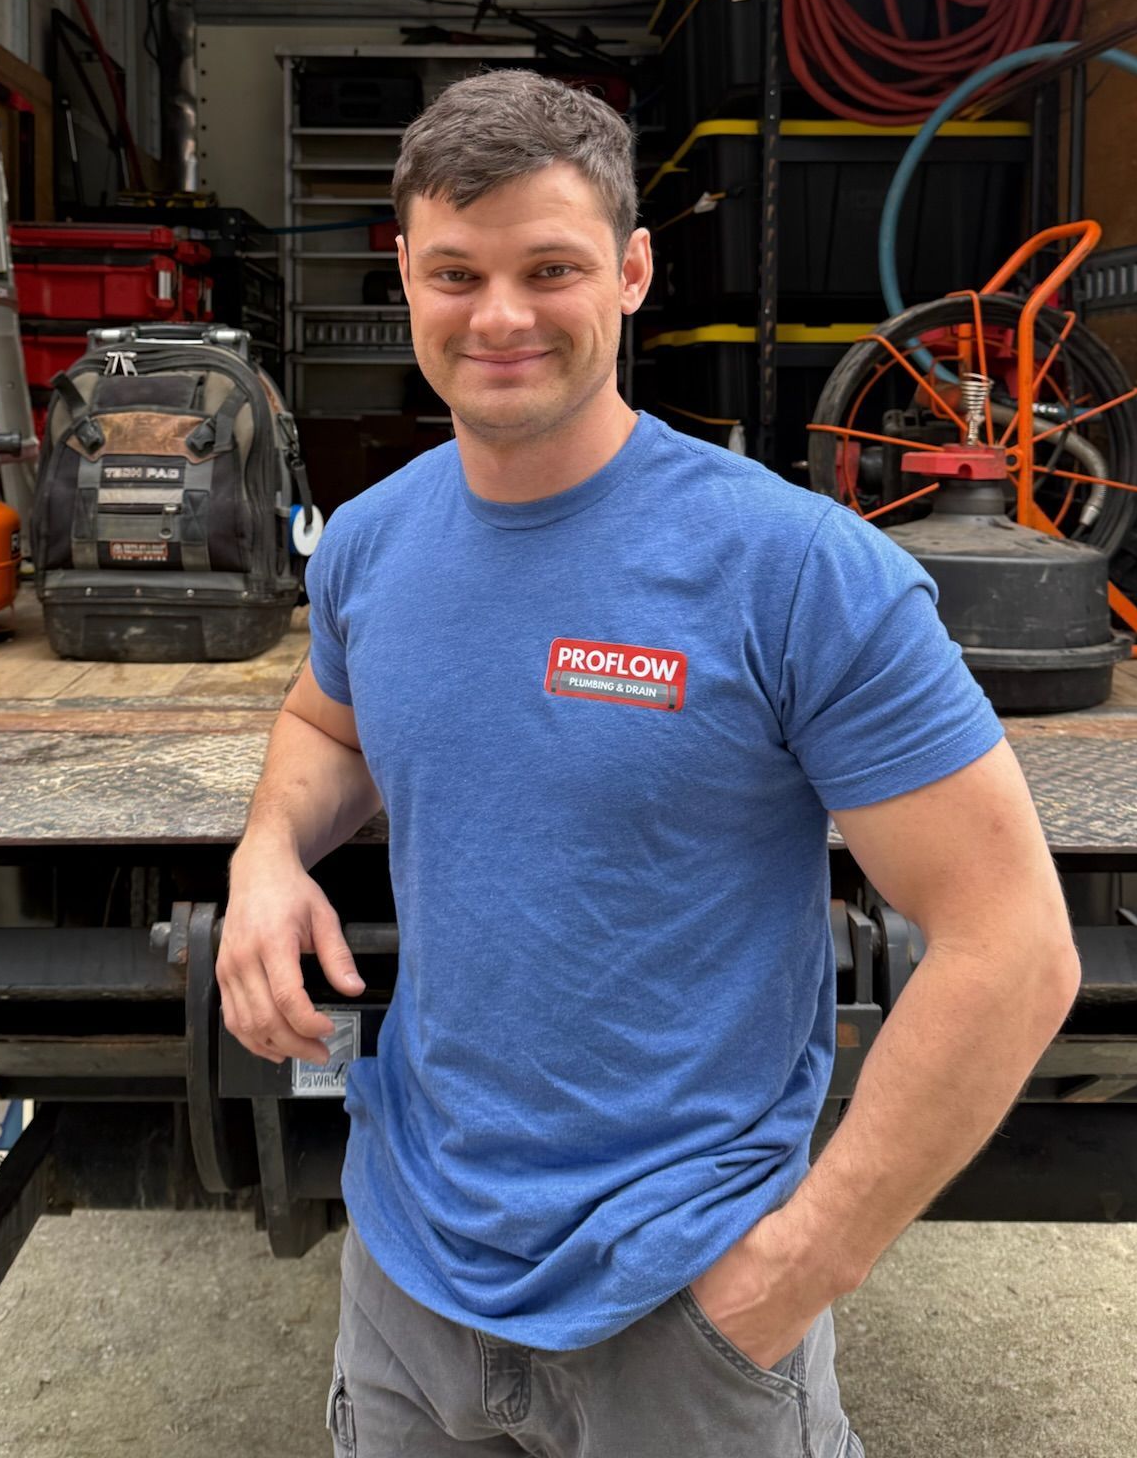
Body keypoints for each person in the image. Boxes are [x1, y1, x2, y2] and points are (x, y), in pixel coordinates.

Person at [217, 71, 1080, 1457]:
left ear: (631, 273)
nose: (499, 315)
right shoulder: (373, 543)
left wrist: (797, 1272)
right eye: (458, 272)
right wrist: (267, 856)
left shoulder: (793, 571)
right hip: (409, 1280)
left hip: (681, 1311)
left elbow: (1014, 948)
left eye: (549, 268)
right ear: (406, 279)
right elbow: (329, 727)